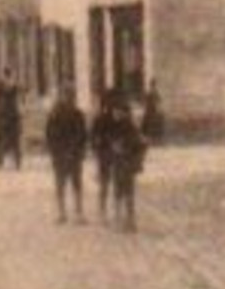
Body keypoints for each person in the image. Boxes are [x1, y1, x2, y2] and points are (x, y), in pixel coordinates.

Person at [45, 85, 89, 224]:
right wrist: (58, 151)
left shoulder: (76, 114)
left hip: (69, 155)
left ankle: (74, 213)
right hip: (64, 155)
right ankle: (65, 212)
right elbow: (51, 135)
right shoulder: (56, 114)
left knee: (72, 184)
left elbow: (82, 135)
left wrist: (77, 152)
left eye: (71, 95)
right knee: (64, 184)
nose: (69, 98)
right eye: (67, 95)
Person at [107, 94, 148, 233]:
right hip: (120, 164)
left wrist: (123, 148)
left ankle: (126, 221)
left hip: (124, 164)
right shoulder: (117, 125)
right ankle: (125, 220)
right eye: (114, 111)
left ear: (123, 112)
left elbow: (141, 143)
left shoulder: (128, 126)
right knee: (123, 192)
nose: (114, 113)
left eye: (117, 111)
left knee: (124, 193)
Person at [91, 91, 126, 221]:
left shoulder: (118, 119)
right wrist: (102, 146)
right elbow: (95, 138)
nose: (110, 106)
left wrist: (119, 144)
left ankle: (116, 212)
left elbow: (122, 134)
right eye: (108, 102)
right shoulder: (99, 119)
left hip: (116, 155)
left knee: (116, 184)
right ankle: (103, 212)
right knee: (105, 185)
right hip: (105, 155)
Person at [0, 67, 23, 170]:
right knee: (15, 141)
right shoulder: (14, 86)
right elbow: (20, 98)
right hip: (12, 116)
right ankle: (16, 163)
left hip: (4, 116)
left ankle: (1, 162)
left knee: (1, 139)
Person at [141, 80, 166, 145]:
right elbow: (146, 102)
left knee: (156, 124)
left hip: (153, 110)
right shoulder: (149, 94)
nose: (153, 87)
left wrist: (159, 108)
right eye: (152, 85)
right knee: (147, 123)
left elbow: (159, 101)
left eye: (154, 85)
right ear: (151, 86)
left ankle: (156, 139)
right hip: (150, 110)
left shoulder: (155, 93)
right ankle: (149, 138)